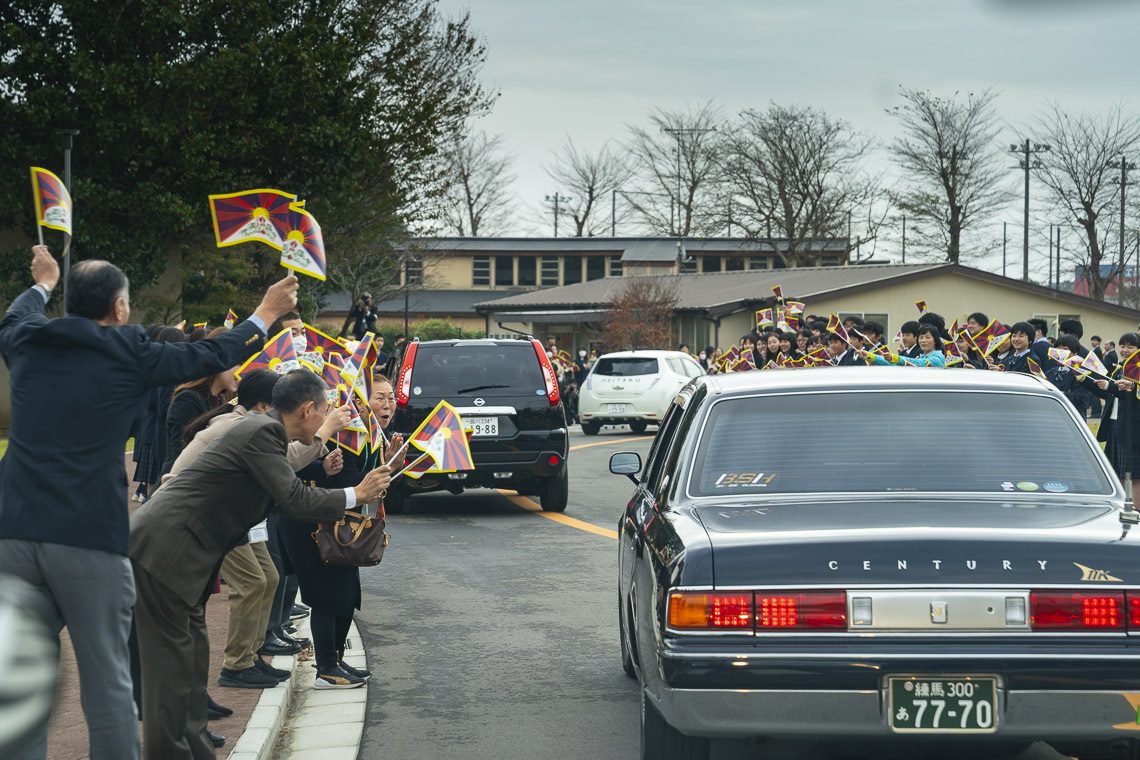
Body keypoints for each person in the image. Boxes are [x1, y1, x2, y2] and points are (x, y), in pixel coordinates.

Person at [0, 246, 297, 760]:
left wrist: (43, 281)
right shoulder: (128, 350)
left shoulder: (27, 340)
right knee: (107, 680)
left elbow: (16, 314)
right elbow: (213, 353)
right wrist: (266, 313)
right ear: (119, 309)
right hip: (88, 536)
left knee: (20, 679)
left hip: (14, 533)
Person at [130, 370, 392, 760]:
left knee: (190, 664)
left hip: (184, 558)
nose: (327, 423)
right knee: (169, 677)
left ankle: (194, 750)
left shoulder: (265, 434)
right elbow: (294, 500)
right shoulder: (261, 433)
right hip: (164, 554)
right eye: (325, 413)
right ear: (307, 410)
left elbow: (284, 495)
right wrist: (357, 493)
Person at [160, 370, 352, 690]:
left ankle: (248, 657)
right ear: (265, 406)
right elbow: (289, 480)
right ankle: (236, 666)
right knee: (247, 584)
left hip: (226, 519)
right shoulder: (241, 427)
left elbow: (284, 465)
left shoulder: (251, 424)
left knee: (268, 577)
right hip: (200, 519)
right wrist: (329, 438)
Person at [281, 376, 403, 690]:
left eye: (390, 398)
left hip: (343, 524)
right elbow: (297, 470)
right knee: (326, 595)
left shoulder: (374, 436)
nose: (386, 404)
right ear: (359, 402)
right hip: (312, 522)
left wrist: (391, 462)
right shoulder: (337, 434)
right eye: (378, 397)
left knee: (347, 594)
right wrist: (324, 467)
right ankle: (325, 668)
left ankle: (336, 659)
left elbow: (368, 485)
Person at [861, 324, 945, 367]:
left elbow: (917, 363)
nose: (923, 340)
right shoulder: (921, 357)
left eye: (927, 337)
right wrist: (870, 356)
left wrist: (895, 358)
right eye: (921, 337)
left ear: (935, 341)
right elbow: (894, 365)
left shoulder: (937, 358)